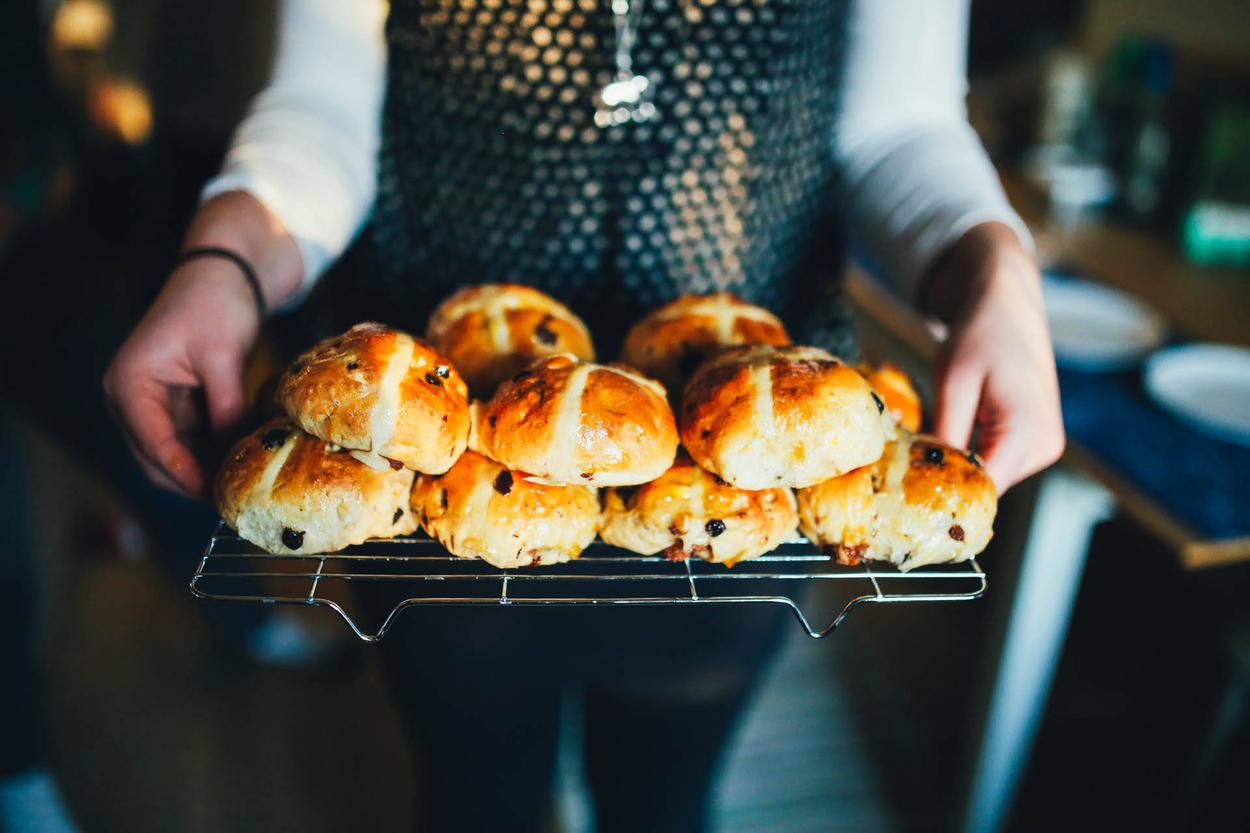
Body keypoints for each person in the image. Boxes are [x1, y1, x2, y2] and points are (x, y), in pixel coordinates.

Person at [104, 0, 1065, 830]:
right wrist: (223, 262)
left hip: (751, 455)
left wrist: (996, 267)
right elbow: (321, 107)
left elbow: (898, 125)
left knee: (665, 796)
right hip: (433, 445)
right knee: (473, 792)